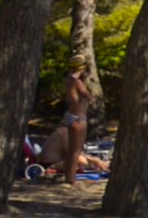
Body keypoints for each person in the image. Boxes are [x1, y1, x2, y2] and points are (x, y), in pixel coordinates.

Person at [60, 57, 93, 186]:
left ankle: (68, 176)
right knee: (76, 150)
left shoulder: (68, 81)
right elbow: (88, 96)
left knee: (71, 149)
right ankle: (71, 179)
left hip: (70, 115)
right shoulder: (77, 82)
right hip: (78, 118)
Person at [36, 126, 108, 175]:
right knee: (82, 161)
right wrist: (95, 160)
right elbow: (73, 153)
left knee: (87, 161)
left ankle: (102, 166)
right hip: (49, 164)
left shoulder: (66, 132)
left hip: (55, 162)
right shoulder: (64, 132)